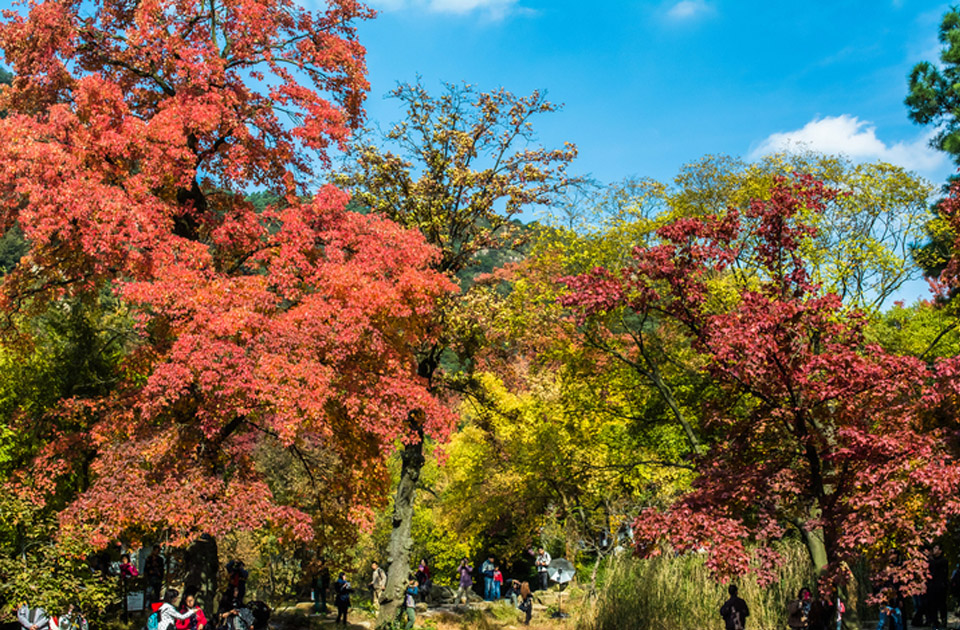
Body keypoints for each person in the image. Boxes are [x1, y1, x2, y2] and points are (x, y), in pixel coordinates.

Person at [926, 543, 949, 630]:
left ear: (940, 551)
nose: (934, 550)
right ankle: (934, 621)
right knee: (932, 605)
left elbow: (936, 565)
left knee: (941, 605)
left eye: (936, 548)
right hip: (932, 586)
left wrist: (930, 558)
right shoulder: (931, 560)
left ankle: (943, 620)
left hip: (940, 587)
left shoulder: (943, 561)